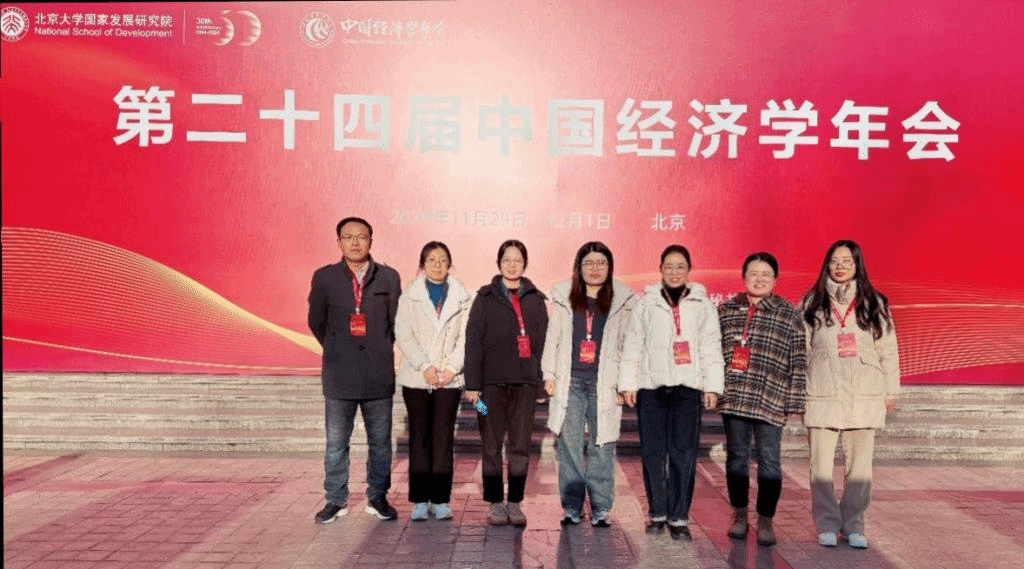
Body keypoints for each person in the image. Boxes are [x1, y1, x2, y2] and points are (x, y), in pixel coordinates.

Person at [619, 245, 725, 540]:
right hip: (651, 387)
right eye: (669, 266)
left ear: (689, 270)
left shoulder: (702, 304)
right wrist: (628, 383)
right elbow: (633, 344)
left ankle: (679, 516)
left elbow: (710, 346)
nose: (675, 272)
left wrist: (713, 386)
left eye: (680, 266)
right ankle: (657, 513)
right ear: (660, 269)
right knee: (653, 453)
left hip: (687, 388)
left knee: (683, 453)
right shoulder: (646, 302)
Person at [800, 240, 899, 549]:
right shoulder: (812, 302)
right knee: (820, 468)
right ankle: (827, 523)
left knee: (860, 469)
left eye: (847, 261)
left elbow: (888, 349)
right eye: (834, 260)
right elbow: (800, 350)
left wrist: (891, 391)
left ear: (858, 265)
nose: (840, 266)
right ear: (826, 265)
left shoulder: (874, 302)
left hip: (864, 392)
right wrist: (798, 390)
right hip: (822, 391)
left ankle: (854, 523)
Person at [308, 217, 402, 523]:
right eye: (348, 237)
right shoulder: (325, 277)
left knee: (380, 444)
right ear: (338, 242)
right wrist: (338, 347)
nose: (355, 242)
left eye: (361, 236)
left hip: (378, 375)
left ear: (371, 241)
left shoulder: (388, 277)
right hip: (339, 376)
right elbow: (316, 321)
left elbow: (396, 323)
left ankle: (378, 496)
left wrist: (378, 347)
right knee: (336, 444)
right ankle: (336, 500)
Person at [542, 242, 637, 527]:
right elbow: (553, 337)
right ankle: (572, 505)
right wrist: (549, 375)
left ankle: (600, 506)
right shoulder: (565, 297)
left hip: (604, 383)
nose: (595, 269)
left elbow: (629, 345)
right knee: (569, 444)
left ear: (610, 268)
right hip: (570, 381)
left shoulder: (623, 300)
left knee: (602, 443)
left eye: (601, 263)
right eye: (589, 263)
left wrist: (626, 384)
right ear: (579, 268)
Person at [717, 252, 807, 546]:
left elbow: (799, 359)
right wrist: (713, 389)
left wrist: (795, 402)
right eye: (753, 274)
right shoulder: (726, 310)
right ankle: (739, 514)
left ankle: (766, 519)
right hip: (735, 395)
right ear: (743, 277)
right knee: (736, 459)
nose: (759, 279)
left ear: (775, 280)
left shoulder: (787, 313)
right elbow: (714, 353)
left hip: (771, 397)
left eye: (766, 274)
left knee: (769, 461)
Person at [464, 240, 549, 527]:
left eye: (518, 260)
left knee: (520, 445)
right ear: (499, 263)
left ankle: (514, 501)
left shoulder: (535, 299)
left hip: (524, 386)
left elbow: (542, 344)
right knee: (490, 443)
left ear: (525, 264)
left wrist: (540, 384)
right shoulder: (485, 297)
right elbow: (473, 341)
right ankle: (495, 502)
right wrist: (473, 385)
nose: (512, 264)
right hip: (489, 390)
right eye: (507, 259)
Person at [395, 241, 473, 522]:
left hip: (449, 380)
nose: (437, 265)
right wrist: (424, 366)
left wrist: (452, 367)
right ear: (422, 264)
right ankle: (419, 499)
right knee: (420, 437)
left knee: (443, 438)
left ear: (449, 264)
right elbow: (403, 333)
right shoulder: (410, 295)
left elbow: (467, 337)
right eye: (431, 259)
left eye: (442, 260)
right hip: (417, 378)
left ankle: (440, 499)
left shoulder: (462, 296)